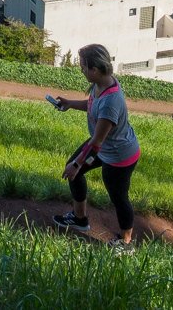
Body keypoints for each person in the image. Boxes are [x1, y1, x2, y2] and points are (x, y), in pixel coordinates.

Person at [44, 43, 140, 251]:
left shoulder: (111, 102)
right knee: (74, 171)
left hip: (119, 156)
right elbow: (91, 105)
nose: (81, 71)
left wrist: (77, 165)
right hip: (103, 146)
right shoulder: (102, 85)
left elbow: (96, 143)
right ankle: (80, 219)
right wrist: (70, 103)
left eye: (83, 67)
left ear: (94, 70)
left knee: (118, 196)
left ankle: (126, 243)